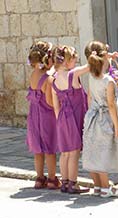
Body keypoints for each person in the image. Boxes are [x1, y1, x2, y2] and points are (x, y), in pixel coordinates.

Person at [82, 41, 118, 198]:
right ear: (104, 59)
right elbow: (112, 105)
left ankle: (98, 187)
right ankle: (106, 187)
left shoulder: (92, 77)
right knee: (103, 154)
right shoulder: (108, 81)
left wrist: (89, 114)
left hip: (92, 117)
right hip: (105, 119)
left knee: (93, 152)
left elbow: (89, 97)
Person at [51, 45, 90, 194]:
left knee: (65, 152)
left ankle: (64, 182)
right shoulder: (73, 74)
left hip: (61, 119)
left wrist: (60, 121)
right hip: (74, 118)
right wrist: (101, 54)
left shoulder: (54, 81)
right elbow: (89, 66)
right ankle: (73, 184)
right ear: (66, 61)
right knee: (74, 152)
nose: (76, 60)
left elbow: (56, 107)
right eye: (74, 58)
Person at [26, 41, 60, 189]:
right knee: (49, 148)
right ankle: (52, 179)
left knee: (38, 150)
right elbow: (49, 101)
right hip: (47, 116)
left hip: (33, 116)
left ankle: (39, 178)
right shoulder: (48, 78)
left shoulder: (33, 74)